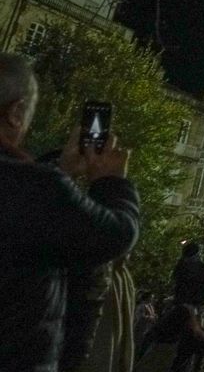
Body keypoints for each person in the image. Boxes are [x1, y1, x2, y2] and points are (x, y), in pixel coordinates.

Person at [0, 53, 141, 372]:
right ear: (16, 112)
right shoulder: (37, 190)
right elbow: (115, 234)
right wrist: (111, 183)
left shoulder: (37, 188)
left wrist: (60, 170)